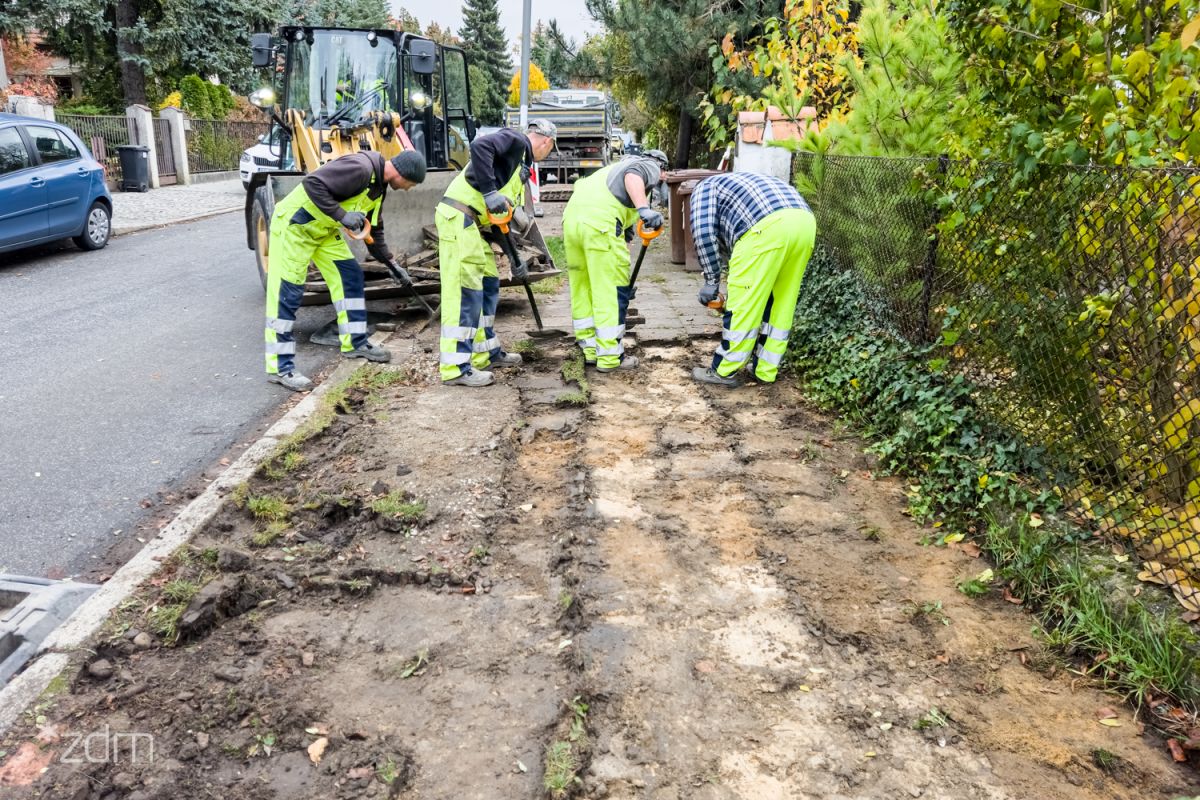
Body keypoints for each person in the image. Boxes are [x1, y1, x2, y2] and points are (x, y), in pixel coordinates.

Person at [264, 149, 428, 392]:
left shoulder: (378, 188)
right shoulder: (360, 168)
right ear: (402, 173)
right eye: (410, 183)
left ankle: (355, 342)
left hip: (322, 231)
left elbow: (375, 231)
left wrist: (392, 265)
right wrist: (342, 215)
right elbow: (313, 183)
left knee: (349, 275)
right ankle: (281, 367)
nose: (408, 189)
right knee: (287, 294)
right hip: (295, 228)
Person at [434, 118, 557, 387]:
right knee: (464, 291)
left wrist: (515, 260)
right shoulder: (516, 141)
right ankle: (455, 367)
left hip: (475, 225)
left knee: (488, 283)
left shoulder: (516, 166)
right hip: (459, 217)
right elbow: (479, 146)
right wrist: (489, 193)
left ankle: (484, 352)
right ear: (546, 142)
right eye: (549, 151)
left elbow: (499, 220)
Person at [688, 171, 816, 387]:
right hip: (805, 223)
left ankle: (724, 370)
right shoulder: (742, 183)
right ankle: (766, 370)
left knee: (743, 305)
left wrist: (711, 280)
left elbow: (703, 233)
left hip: (765, 229)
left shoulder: (703, 189)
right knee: (782, 302)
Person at [561, 150, 669, 371]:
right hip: (600, 225)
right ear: (661, 169)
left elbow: (625, 234)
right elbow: (634, 174)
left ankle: (589, 349)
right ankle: (610, 356)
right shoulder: (645, 165)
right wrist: (644, 209)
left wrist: (624, 274)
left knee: (583, 287)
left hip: (572, 223)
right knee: (609, 290)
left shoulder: (607, 172)